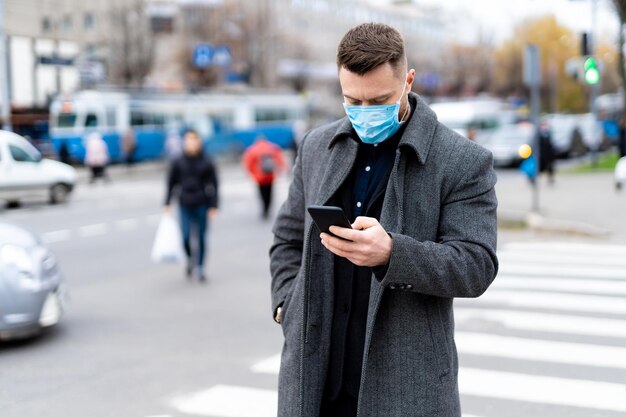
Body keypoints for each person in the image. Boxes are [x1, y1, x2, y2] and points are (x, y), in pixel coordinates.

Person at [269, 23, 498, 417]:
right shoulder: (317, 146)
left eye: (379, 101)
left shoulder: (462, 161)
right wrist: (286, 305)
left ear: (408, 81)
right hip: (314, 382)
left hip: (406, 389)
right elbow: (287, 239)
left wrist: (393, 253)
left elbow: (476, 265)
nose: (365, 113)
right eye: (352, 101)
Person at [164, 129, 219, 282]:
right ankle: (190, 259)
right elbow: (171, 182)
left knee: (201, 237)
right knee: (186, 236)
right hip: (184, 203)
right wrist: (167, 202)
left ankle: (200, 267)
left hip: (202, 203)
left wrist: (214, 205)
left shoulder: (207, 161)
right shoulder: (178, 161)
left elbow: (214, 184)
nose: (191, 144)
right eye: (188, 141)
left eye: (194, 141)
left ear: (199, 142)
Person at [242, 135, 286, 219]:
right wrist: (279, 170)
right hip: (270, 176)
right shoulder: (272, 147)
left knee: (262, 194)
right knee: (270, 193)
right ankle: (268, 208)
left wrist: (252, 174)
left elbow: (248, 163)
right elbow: (279, 159)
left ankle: (264, 209)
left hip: (259, 178)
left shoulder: (252, 149)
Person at [538, 119, 556, 184]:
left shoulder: (549, 133)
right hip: (542, 154)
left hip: (549, 154)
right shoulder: (539, 134)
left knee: (550, 167)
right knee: (541, 168)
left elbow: (552, 143)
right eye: (543, 125)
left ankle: (550, 178)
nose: (545, 126)